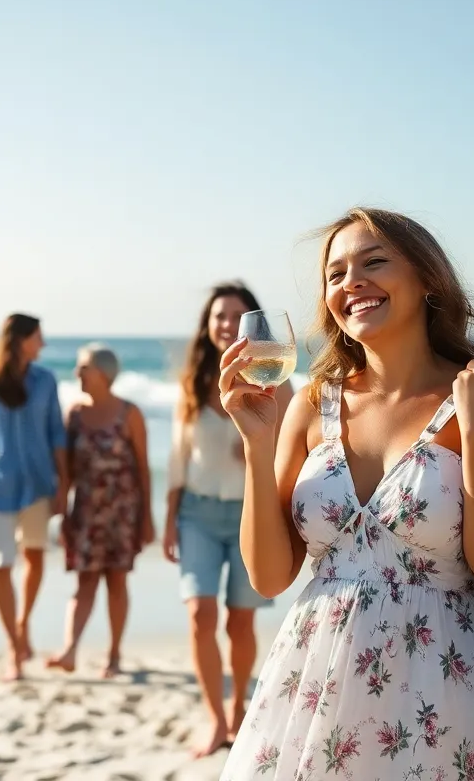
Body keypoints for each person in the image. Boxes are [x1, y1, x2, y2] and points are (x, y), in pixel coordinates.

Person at [214, 208, 474, 780]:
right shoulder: (314, 402)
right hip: (313, 674)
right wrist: (257, 446)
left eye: (373, 262)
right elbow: (268, 576)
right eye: (334, 274)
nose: (350, 282)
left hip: (435, 681)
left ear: (428, 278)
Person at [164, 282, 295, 757]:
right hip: (196, 513)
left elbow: (291, 449)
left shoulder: (275, 377)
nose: (225, 325)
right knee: (200, 613)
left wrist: (259, 451)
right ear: (209, 324)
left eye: (235, 316)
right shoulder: (193, 380)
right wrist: (168, 517)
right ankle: (215, 718)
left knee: (240, 624)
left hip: (249, 514)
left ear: (252, 327)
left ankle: (238, 707)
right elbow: (178, 453)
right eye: (218, 316)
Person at [0, 313, 68, 682]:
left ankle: (22, 625)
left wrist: (64, 484)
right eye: (39, 336)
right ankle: (12, 646)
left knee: (34, 557)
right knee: (0, 563)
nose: (44, 344)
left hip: (37, 484)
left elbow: (57, 434)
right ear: (21, 340)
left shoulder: (46, 381)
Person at [45, 343, 154, 678]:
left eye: (83, 368)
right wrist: (62, 510)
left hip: (123, 511)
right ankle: (69, 649)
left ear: (103, 374)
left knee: (117, 582)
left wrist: (147, 517)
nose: (77, 373)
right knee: (85, 581)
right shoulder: (74, 415)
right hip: (86, 512)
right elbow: (66, 471)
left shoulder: (129, 413)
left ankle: (114, 655)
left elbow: (142, 467)